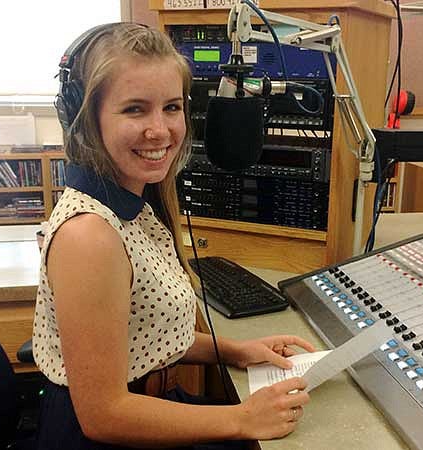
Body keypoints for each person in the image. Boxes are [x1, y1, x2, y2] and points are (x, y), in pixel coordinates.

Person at [33, 22, 315, 449]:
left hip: (148, 411)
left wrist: (236, 350)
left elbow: (142, 335)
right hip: (112, 433)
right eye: (134, 109)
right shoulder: (88, 237)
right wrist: (242, 418)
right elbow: (103, 414)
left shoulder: (132, 203)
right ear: (83, 118)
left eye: (171, 107)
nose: (160, 130)